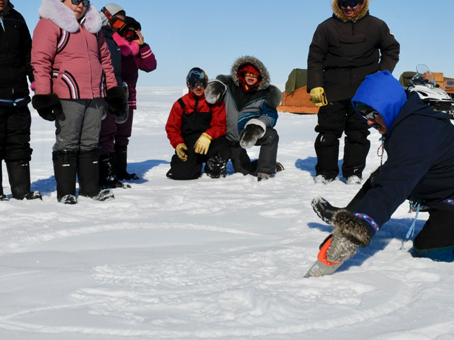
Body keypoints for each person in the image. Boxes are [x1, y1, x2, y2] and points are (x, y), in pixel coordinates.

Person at [311, 70, 454, 264]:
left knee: (430, 249)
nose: (368, 121)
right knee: (382, 175)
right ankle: (351, 212)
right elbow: (390, 176)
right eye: (363, 115)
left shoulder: (416, 132)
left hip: (449, 196)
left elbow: (392, 187)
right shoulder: (408, 117)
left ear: (388, 104)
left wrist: (355, 232)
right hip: (443, 190)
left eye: (372, 113)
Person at [31, 0, 126, 204]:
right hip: (67, 93)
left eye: (85, 1)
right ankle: (65, 192)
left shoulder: (93, 27)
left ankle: (90, 189)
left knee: (91, 142)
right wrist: (45, 96)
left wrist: (112, 91)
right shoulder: (49, 23)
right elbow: (40, 61)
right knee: (68, 142)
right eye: (75, 0)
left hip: (95, 95)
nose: (80, 5)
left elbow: (105, 61)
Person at [307, 0, 400, 185]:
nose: (348, 7)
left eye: (353, 3)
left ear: (362, 3)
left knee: (358, 132)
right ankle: (325, 172)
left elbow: (391, 50)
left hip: (365, 90)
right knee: (328, 133)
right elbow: (315, 57)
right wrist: (315, 85)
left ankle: (354, 172)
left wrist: (381, 75)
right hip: (332, 89)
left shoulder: (377, 25)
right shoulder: (325, 27)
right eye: (343, 3)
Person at [205, 55, 283, 181]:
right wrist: (215, 86)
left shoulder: (264, 94)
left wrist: (257, 126)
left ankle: (265, 170)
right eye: (249, 73)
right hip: (226, 138)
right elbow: (218, 83)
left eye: (255, 74)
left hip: (247, 136)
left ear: (260, 77)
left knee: (271, 135)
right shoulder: (229, 86)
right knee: (232, 171)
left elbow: (271, 115)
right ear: (242, 74)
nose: (251, 76)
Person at [0, 0, 42, 201]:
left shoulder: (16, 18)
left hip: (18, 95)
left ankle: (22, 192)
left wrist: (35, 79)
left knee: (19, 142)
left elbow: (28, 53)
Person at [113, 14, 157, 181]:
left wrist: (143, 45)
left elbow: (151, 66)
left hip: (128, 99)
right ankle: (108, 172)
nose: (130, 36)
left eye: (134, 32)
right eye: (127, 32)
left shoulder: (135, 52)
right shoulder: (112, 46)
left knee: (123, 136)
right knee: (108, 135)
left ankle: (121, 171)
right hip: (110, 96)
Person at [165, 67, 230, 180]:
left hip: (210, 142)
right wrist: (178, 144)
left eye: (201, 83)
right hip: (190, 144)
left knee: (223, 145)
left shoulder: (214, 102)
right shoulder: (180, 104)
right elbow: (172, 128)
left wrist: (208, 135)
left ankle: (212, 169)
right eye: (195, 83)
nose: (198, 87)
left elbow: (220, 126)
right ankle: (184, 162)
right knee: (182, 174)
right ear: (189, 84)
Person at [97, 3, 130, 189]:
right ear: (106, 16)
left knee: (109, 133)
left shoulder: (113, 40)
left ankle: (108, 175)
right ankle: (103, 176)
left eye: (121, 24)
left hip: (113, 91)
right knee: (102, 134)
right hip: (102, 93)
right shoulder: (97, 36)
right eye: (116, 22)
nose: (118, 26)